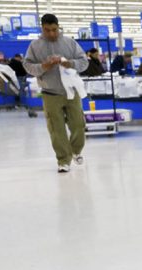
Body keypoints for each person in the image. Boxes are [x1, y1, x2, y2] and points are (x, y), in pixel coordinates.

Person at [22, 14, 88, 173]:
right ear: (42, 28)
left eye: (54, 29)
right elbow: (28, 66)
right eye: (47, 30)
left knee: (78, 124)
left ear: (58, 27)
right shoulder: (35, 46)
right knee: (56, 129)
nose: (51, 33)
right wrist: (43, 66)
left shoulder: (70, 43)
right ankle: (63, 160)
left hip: (71, 92)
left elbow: (84, 62)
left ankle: (75, 150)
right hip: (50, 93)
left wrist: (69, 63)